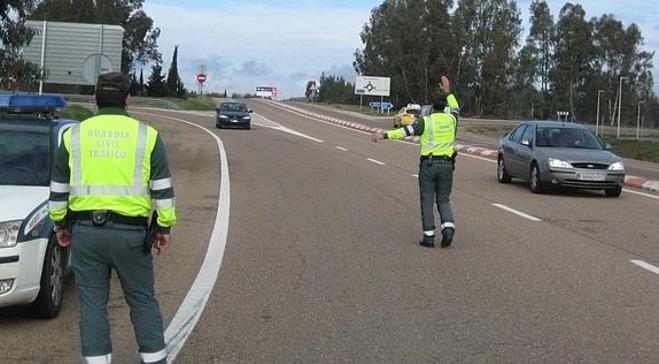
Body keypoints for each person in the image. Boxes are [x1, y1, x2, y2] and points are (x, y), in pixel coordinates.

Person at [48, 72, 177, 364]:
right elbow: (163, 192)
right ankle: (155, 359)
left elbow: (58, 190)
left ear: (95, 99)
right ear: (127, 99)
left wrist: (60, 224)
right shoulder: (147, 136)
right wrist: (164, 227)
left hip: (85, 233)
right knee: (142, 301)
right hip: (131, 236)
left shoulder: (73, 135)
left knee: (92, 304)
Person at [371, 76, 459, 248]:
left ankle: (429, 237)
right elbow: (455, 107)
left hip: (429, 165)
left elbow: (404, 131)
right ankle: (448, 228)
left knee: (427, 199)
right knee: (443, 199)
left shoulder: (425, 121)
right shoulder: (452, 119)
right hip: (447, 166)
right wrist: (448, 90)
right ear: (445, 106)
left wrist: (384, 135)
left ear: (432, 107)